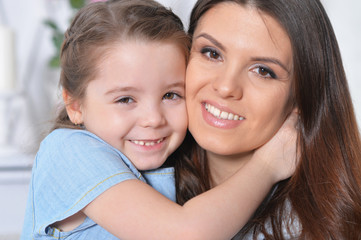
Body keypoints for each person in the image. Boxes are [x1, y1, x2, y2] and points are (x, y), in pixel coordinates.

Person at [21, 0, 298, 239]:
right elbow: (185, 234)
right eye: (125, 99)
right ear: (75, 104)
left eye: (170, 95)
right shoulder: (68, 151)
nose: (153, 119)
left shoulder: (171, 166)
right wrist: (268, 164)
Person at [175, 0, 361, 239]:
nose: (226, 87)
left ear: (301, 97)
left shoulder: (318, 228)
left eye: (263, 71)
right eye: (212, 53)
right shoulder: (127, 170)